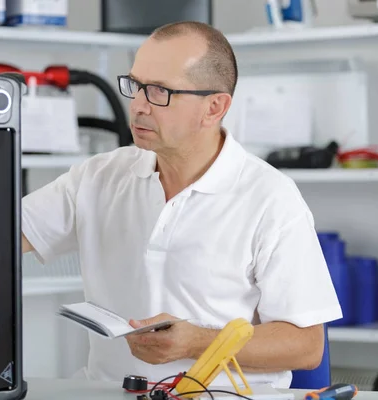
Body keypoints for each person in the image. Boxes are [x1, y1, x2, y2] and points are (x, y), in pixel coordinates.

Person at [21, 20, 342, 389]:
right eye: (136, 86)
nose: (139, 106)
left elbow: (305, 346)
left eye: (159, 91)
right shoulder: (98, 176)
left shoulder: (271, 198)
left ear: (214, 107)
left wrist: (196, 343)